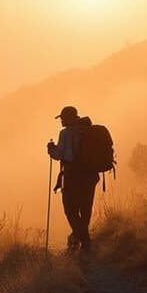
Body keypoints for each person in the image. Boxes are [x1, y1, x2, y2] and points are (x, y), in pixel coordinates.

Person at [47, 105, 100, 253]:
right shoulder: (87, 131)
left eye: (62, 118)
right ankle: (81, 241)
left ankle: (84, 242)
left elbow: (60, 155)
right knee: (85, 209)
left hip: (73, 176)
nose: (61, 121)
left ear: (69, 118)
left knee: (70, 210)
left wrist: (51, 149)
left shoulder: (66, 133)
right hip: (90, 176)